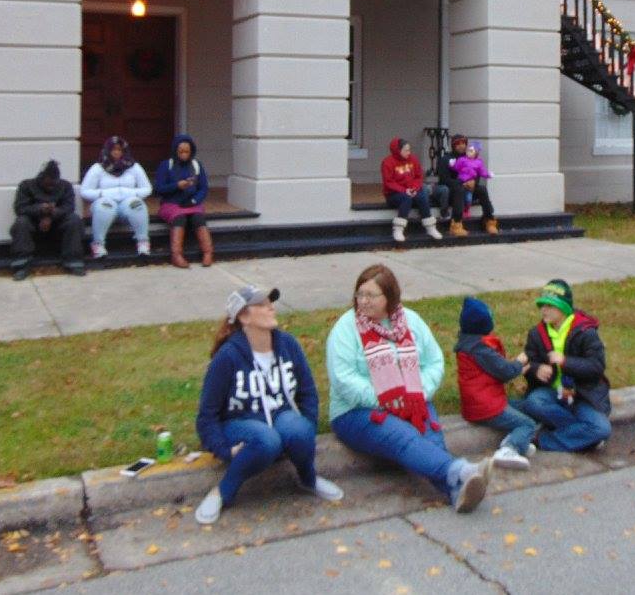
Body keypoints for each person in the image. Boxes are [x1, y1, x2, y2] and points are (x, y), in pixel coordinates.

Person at [326, 264, 493, 512]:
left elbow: (434, 362)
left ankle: (457, 489)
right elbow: (343, 379)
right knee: (402, 436)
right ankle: (460, 470)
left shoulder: (411, 321)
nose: (363, 301)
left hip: (413, 401)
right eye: (360, 294)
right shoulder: (345, 328)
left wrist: (417, 394)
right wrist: (386, 399)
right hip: (356, 410)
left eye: (371, 296)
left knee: (430, 437)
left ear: (390, 297)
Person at [194, 285, 343, 525]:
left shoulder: (288, 344)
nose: (271, 307)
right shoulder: (228, 357)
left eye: (270, 302)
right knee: (267, 440)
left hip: (279, 415)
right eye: (262, 304)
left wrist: (306, 429)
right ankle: (222, 491)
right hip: (239, 422)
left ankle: (308, 478)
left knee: (299, 429)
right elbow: (206, 415)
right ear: (244, 316)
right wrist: (223, 449)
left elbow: (307, 392)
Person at [515, 279, 611, 453]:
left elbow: (596, 366)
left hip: (582, 395)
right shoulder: (537, 334)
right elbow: (530, 361)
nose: (543, 310)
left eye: (550, 306)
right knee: (534, 402)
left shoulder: (585, 332)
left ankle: (541, 440)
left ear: (564, 308)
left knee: (602, 428)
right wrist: (537, 369)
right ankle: (583, 436)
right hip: (552, 392)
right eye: (542, 305)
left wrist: (566, 362)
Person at [455, 296, 537, 469]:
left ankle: (518, 439)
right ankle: (509, 448)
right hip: (486, 407)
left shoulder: (467, 344)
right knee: (528, 423)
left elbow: (493, 372)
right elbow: (505, 371)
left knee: (522, 406)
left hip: (478, 403)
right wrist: (520, 361)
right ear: (483, 325)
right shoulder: (480, 349)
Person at [9, 160, 84, 280]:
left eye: (54, 183)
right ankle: (21, 265)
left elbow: (69, 207)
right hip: (33, 224)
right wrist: (40, 210)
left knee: (74, 220)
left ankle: (73, 261)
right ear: (41, 178)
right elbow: (20, 208)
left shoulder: (65, 186)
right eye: (48, 183)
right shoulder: (26, 186)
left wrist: (52, 214)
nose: (51, 187)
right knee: (21, 222)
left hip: (57, 224)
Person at [80, 136, 152, 259]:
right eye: (113, 149)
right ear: (107, 150)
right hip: (106, 200)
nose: (117, 152)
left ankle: (143, 242)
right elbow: (85, 191)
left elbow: (147, 188)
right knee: (104, 208)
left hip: (127, 202)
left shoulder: (134, 167)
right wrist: (103, 194)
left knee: (138, 206)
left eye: (120, 150)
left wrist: (130, 193)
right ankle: (98, 244)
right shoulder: (98, 168)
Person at [154, 133, 212, 268]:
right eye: (181, 151)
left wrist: (193, 200)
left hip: (191, 202)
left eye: (187, 151)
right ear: (175, 150)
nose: (184, 154)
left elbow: (203, 188)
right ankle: (176, 255)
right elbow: (158, 188)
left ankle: (208, 252)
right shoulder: (166, 165)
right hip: (171, 204)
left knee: (198, 218)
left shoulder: (197, 165)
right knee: (180, 218)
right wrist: (176, 186)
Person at [434, 133, 498, 237]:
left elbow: (477, 172)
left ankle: (489, 220)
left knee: (482, 189)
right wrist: (461, 183)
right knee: (459, 189)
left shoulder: (471, 157)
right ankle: (456, 223)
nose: (461, 146)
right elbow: (444, 179)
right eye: (458, 144)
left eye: (463, 143)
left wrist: (474, 182)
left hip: (468, 188)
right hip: (452, 190)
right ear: (453, 146)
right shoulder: (446, 159)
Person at [381, 137, 443, 243]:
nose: (408, 152)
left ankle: (430, 227)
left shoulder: (413, 159)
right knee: (407, 199)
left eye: (409, 150)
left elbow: (419, 177)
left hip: (411, 190)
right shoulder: (387, 162)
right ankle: (398, 229)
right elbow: (389, 182)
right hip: (394, 194)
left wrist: (414, 188)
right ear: (397, 150)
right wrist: (404, 190)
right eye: (406, 150)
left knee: (422, 197)